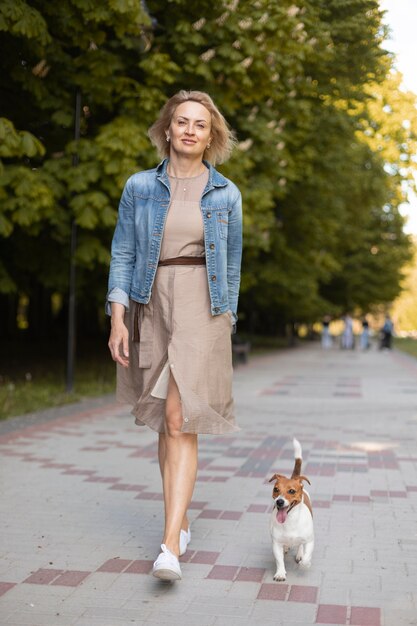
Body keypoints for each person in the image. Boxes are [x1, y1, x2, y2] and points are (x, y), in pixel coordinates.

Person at [106, 91, 242, 582]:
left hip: (202, 306)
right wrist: (118, 317)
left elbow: (231, 264)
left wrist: (226, 318)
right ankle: (180, 519)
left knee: (180, 417)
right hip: (151, 300)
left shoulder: (225, 193)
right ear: (167, 129)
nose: (189, 130)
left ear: (211, 135)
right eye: (181, 122)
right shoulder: (139, 187)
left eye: (199, 125)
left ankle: (168, 548)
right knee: (166, 422)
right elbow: (122, 253)